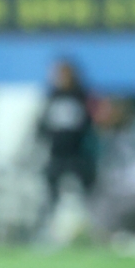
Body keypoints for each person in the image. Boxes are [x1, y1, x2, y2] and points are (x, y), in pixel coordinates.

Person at [37, 59, 98, 207]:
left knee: (86, 192)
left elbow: (92, 122)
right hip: (57, 153)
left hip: (79, 153)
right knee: (51, 190)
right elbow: (43, 124)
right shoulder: (52, 96)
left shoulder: (82, 96)